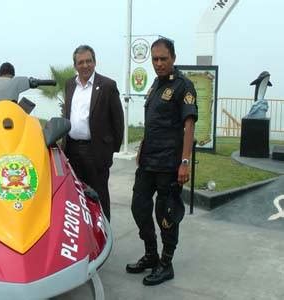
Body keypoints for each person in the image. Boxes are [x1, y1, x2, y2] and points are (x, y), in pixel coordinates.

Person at [125, 38, 198, 286]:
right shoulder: (155, 85)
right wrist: (142, 147)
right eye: (154, 59)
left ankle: (166, 264)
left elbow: (189, 126)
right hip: (148, 162)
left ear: (173, 58)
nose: (158, 63)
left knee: (166, 215)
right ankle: (151, 254)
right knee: (139, 207)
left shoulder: (183, 87)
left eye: (163, 59)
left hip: (169, 163)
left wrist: (185, 161)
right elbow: (153, 122)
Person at [63, 45, 124, 221]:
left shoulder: (107, 86)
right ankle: (83, 239)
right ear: (75, 65)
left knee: (99, 196)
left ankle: (104, 237)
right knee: (76, 196)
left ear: (95, 62)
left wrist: (110, 150)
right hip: (72, 150)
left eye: (89, 61)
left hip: (95, 152)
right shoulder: (69, 85)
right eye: (81, 62)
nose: (85, 65)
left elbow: (117, 121)